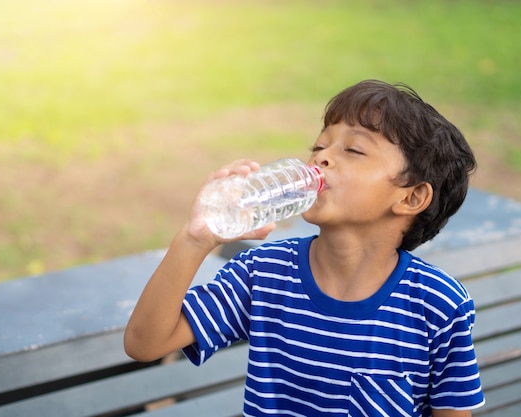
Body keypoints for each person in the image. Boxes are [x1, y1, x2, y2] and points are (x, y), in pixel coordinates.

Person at [124, 79, 485, 416]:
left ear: (411, 197)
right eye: (320, 145)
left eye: (354, 150)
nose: (321, 158)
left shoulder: (438, 305)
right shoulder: (263, 273)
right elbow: (145, 343)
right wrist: (193, 240)